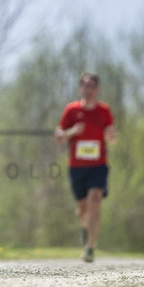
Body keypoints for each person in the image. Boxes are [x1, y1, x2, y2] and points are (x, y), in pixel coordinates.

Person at [54, 72, 117, 263]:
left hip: (98, 165)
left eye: (92, 87)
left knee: (95, 200)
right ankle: (85, 227)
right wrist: (73, 131)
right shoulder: (71, 110)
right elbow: (58, 137)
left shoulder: (104, 111)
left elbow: (111, 138)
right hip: (77, 166)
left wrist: (111, 135)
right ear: (80, 88)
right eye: (85, 86)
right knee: (83, 210)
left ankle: (90, 248)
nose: (88, 90)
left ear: (97, 90)